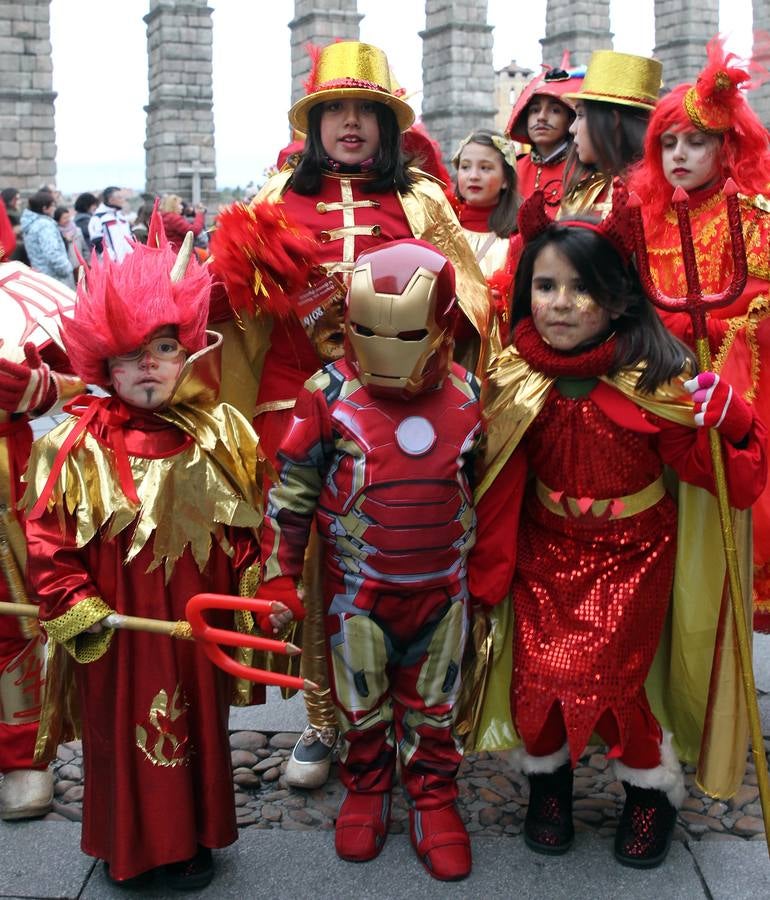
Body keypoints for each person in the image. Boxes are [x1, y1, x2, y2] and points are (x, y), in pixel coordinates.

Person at [209, 40, 492, 791]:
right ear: (313, 124)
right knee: (307, 562)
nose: (351, 122)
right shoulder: (273, 198)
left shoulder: (422, 200)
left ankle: (415, 714)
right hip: (293, 405)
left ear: (389, 124)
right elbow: (235, 308)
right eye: (334, 109)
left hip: (405, 412)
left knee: (397, 553)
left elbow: (470, 300)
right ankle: (322, 718)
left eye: (366, 109)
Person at [470, 190, 766, 868]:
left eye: (583, 288)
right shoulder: (515, 377)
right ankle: (549, 786)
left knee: (617, 683)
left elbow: (725, 479)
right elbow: (495, 476)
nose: (561, 303)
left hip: (634, 556)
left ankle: (649, 794)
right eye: (546, 286)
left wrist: (731, 420)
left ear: (619, 298)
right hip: (544, 551)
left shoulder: (655, 378)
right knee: (537, 678)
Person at [21, 219, 292, 889]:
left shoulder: (222, 432)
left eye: (164, 347)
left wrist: (263, 595)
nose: (149, 364)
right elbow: (47, 539)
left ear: (188, 353)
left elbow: (256, 524)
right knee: (121, 731)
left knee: (199, 722)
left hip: (194, 625)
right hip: (118, 632)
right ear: (102, 364)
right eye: (130, 352)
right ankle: (131, 847)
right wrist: (79, 607)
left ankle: (194, 837)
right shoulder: (72, 447)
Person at [260, 239, 481, 880]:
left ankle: (433, 799)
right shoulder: (326, 393)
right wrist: (279, 576)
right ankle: (368, 788)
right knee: (361, 704)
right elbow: (292, 490)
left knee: (436, 704)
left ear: (442, 327)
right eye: (370, 331)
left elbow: (486, 486)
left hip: (443, 589)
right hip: (357, 591)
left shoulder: (470, 394)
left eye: (408, 333)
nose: (388, 349)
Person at [628, 37, 770, 630]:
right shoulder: (644, 217)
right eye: (668, 143)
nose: (680, 154)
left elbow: (759, 308)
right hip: (652, 390)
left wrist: (710, 331)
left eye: (696, 141)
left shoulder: (754, 219)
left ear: (725, 146)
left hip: (724, 397)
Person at [0, 261, 84, 820]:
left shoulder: (17, 290)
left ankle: (21, 753)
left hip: (3, 470)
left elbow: (80, 371)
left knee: (13, 615)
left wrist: (36, 387)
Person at [560, 51, 662, 216]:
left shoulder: (656, 194)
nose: (572, 128)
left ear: (613, 120)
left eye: (581, 115)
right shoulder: (581, 191)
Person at [452, 129, 519, 341]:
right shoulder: (444, 226)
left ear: (506, 179)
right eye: (465, 167)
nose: (473, 175)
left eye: (485, 168)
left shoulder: (517, 235)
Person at [506, 62, 584, 212]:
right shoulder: (512, 170)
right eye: (534, 110)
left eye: (555, 110)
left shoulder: (583, 171)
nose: (541, 117)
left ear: (570, 120)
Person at [20, 190, 74, 288]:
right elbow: (52, 253)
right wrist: (66, 269)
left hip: (42, 276)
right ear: (45, 208)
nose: (54, 208)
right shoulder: (44, 225)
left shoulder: (30, 224)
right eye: (52, 205)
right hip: (56, 278)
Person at [88, 186, 133, 262]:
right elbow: (97, 242)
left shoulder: (121, 217)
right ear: (111, 200)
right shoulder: (98, 218)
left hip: (130, 262)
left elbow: (130, 238)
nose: (123, 200)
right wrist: (111, 258)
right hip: (113, 264)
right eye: (120, 197)